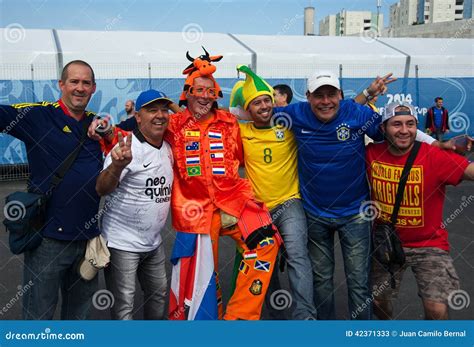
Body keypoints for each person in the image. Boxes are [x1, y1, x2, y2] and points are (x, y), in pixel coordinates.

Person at [95, 49, 281, 320]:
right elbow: (140, 133)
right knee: (200, 281)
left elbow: (257, 122)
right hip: (196, 213)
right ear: (188, 93)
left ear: (216, 94)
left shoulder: (230, 122)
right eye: (199, 90)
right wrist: (107, 131)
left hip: (233, 203)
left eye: (210, 91)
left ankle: (239, 317)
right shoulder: (174, 124)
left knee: (266, 241)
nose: (204, 96)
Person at [0, 60, 102, 319]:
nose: (80, 88)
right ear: (61, 85)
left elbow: (140, 126)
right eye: (74, 82)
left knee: (79, 317)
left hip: (88, 238)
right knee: (38, 316)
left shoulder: (98, 125)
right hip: (48, 240)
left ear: (93, 88)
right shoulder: (38, 116)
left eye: (86, 83)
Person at [366, 101, 474, 320]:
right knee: (377, 302)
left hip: (429, 245)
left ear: (417, 127)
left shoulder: (433, 156)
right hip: (387, 244)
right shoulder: (370, 154)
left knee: (436, 310)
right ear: (384, 128)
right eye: (396, 124)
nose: (404, 130)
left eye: (410, 124)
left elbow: (470, 171)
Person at [229, 65, 317, 320]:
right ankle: (277, 317)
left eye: (267, 100)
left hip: (289, 203)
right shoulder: (242, 132)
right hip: (257, 211)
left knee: (298, 257)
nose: (264, 106)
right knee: (262, 266)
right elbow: (221, 117)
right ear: (247, 109)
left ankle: (305, 318)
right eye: (256, 103)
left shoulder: (289, 127)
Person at [95, 89, 174, 320]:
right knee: (124, 307)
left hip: (153, 244)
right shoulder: (126, 149)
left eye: (164, 109)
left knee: (158, 296)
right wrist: (118, 166)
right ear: (138, 117)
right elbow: (101, 188)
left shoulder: (168, 148)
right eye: (152, 110)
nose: (160, 115)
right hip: (122, 244)